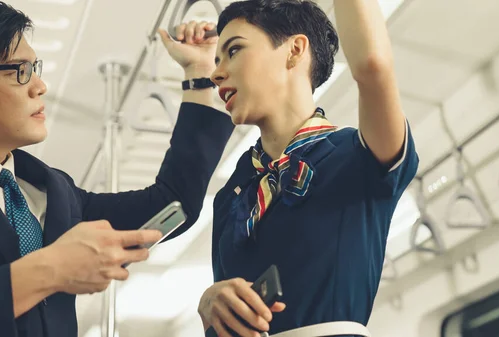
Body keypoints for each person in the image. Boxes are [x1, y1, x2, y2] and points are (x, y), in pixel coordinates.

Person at [0, 1, 234, 337]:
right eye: (19, 71)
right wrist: (48, 270)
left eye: (34, 68)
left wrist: (199, 76)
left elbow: (172, 205)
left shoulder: (52, 191)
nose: (39, 86)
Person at [158, 0, 419, 336]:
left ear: (295, 50)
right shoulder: (232, 195)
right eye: (217, 59)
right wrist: (210, 301)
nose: (216, 72)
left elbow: (372, 67)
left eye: (234, 50)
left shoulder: (359, 156)